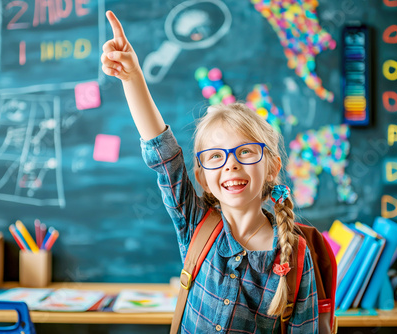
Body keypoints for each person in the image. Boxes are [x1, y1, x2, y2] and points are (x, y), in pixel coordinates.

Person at [101, 10, 318, 333]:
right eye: (215, 156)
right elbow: (163, 152)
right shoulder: (196, 224)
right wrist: (132, 77)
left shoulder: (295, 256)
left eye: (246, 152)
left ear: (272, 167)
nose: (231, 163)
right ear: (202, 177)